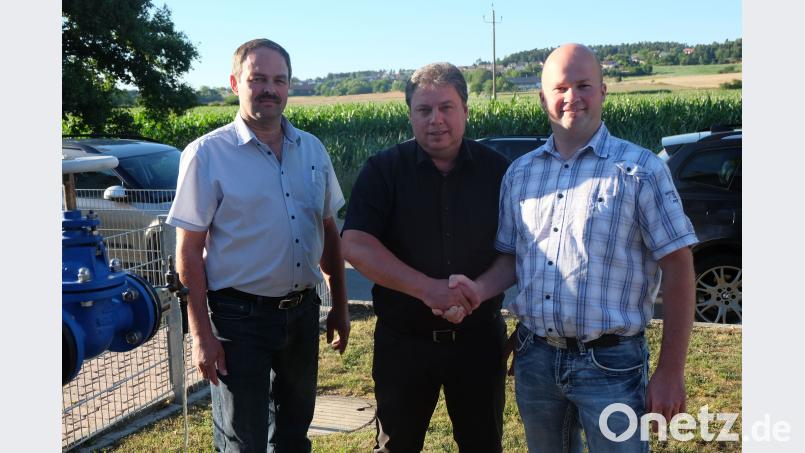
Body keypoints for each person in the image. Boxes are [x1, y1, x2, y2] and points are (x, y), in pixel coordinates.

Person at [450, 43, 698, 452]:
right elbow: (513, 258)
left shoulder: (640, 170)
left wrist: (671, 370)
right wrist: (477, 290)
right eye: (560, 87)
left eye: (583, 85)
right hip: (536, 360)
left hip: (612, 364)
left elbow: (678, 264)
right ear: (543, 97)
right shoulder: (521, 174)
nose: (572, 97)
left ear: (603, 91)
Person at [167, 38, 350, 452]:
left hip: (302, 315)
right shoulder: (206, 155)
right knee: (243, 440)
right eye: (258, 79)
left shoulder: (313, 151)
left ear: (289, 86)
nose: (270, 88)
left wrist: (338, 305)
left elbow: (328, 233)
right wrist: (201, 335)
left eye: (279, 80)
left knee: (293, 434)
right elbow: (189, 252)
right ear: (235, 83)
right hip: (237, 320)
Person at [341, 62, 510, 453]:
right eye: (424, 110)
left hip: (479, 340)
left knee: (484, 443)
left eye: (447, 107)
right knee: (396, 445)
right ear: (410, 115)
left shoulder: (499, 171)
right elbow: (356, 244)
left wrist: (478, 292)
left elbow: (517, 252)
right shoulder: (383, 171)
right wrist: (429, 291)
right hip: (404, 343)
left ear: (466, 110)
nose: (436, 120)